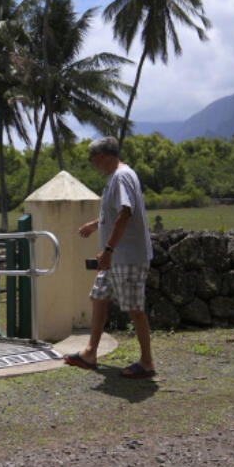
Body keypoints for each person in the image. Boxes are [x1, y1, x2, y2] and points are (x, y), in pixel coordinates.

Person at [63, 136, 157, 379]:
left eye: (93, 160)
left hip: (126, 256)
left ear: (103, 157)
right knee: (98, 297)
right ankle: (90, 352)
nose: (93, 165)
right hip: (116, 257)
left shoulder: (122, 176)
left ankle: (147, 362)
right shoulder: (117, 177)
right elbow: (116, 212)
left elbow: (125, 212)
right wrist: (97, 224)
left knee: (134, 308)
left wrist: (108, 250)